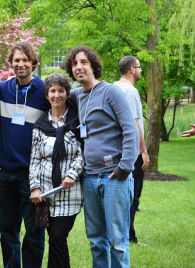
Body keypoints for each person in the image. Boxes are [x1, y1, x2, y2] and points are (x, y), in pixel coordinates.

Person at [63, 46, 138, 268]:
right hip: (89, 177)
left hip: (114, 177)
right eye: (75, 64)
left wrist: (124, 167)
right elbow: (53, 92)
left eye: (84, 62)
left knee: (118, 240)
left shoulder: (111, 92)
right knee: (96, 239)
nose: (79, 67)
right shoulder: (76, 96)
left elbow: (130, 130)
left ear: (93, 65)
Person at [0, 41, 50, 267]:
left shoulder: (46, 91)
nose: (20, 64)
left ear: (34, 63)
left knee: (36, 230)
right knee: (7, 230)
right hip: (5, 175)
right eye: (16, 60)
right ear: (10, 63)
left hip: (35, 176)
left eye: (25, 60)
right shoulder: (0, 89)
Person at [29, 73, 84, 268]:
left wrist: (72, 174)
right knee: (54, 240)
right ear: (47, 95)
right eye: (52, 91)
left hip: (70, 192)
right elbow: (34, 160)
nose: (57, 95)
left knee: (58, 236)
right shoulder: (40, 126)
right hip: (45, 195)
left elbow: (82, 153)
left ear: (68, 94)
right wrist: (35, 188)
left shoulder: (77, 122)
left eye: (61, 91)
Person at [114, 56, 150, 245]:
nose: (141, 70)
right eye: (139, 67)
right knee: (132, 196)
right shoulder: (131, 91)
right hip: (131, 152)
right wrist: (143, 151)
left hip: (116, 150)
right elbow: (135, 122)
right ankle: (129, 236)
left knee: (120, 196)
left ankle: (124, 234)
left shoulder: (113, 88)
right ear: (131, 69)